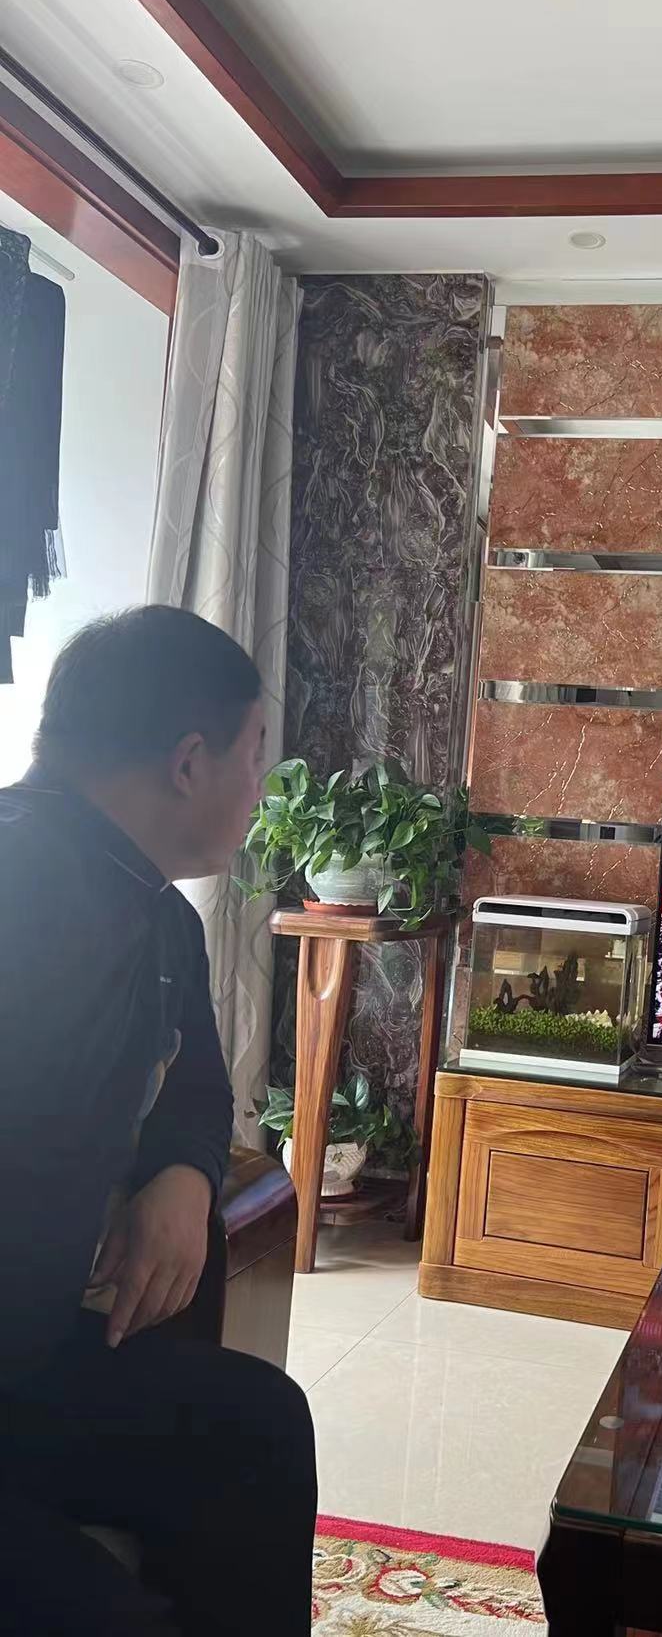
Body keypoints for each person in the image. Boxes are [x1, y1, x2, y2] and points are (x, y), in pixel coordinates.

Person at [0, 607, 317, 1636]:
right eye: (254, 754)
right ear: (189, 763)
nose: (261, 788)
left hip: (28, 1364)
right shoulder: (21, 887)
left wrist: (183, 1172)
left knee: (258, 1427)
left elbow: (197, 1085)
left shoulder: (158, 913)